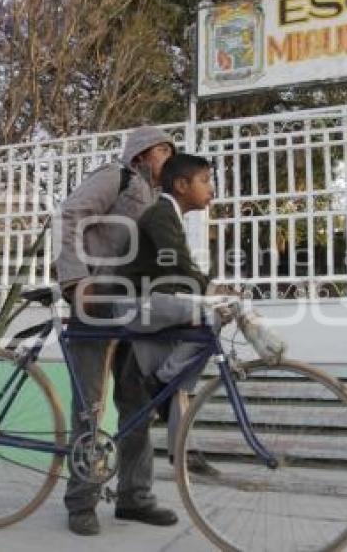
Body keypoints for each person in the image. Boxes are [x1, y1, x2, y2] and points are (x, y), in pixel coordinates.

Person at [53, 125, 178, 536]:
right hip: (96, 302)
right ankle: (81, 500)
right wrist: (74, 280)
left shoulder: (159, 199)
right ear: (142, 155)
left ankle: (134, 497)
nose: (169, 158)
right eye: (163, 150)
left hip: (134, 309)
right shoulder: (115, 177)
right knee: (90, 406)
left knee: (137, 402)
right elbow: (71, 214)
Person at [115, 153, 222, 465]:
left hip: (149, 304)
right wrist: (210, 290)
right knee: (213, 316)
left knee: (176, 377)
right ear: (181, 184)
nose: (211, 190)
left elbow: (175, 274)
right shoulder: (161, 214)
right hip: (133, 304)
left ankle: (181, 449)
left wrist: (202, 291)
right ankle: (161, 382)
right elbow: (176, 261)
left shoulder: (169, 216)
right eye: (205, 181)